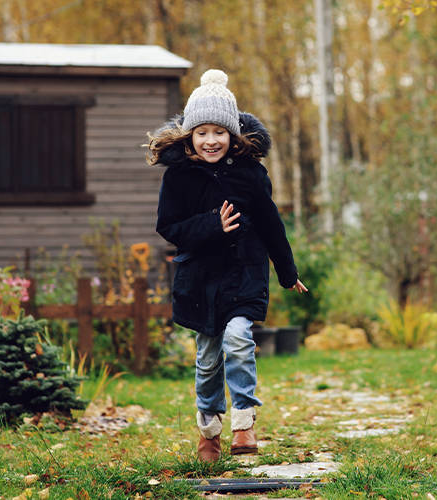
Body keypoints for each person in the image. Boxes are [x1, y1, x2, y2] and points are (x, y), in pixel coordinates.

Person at [149, 69, 308, 463]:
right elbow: (168, 226)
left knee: (239, 339)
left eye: (219, 132)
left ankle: (243, 423)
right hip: (199, 283)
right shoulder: (179, 178)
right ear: (189, 136)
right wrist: (211, 226)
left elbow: (272, 224)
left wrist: (288, 273)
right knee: (207, 361)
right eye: (201, 133)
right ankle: (209, 432)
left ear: (233, 135)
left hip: (244, 277)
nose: (210, 141)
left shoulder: (251, 175)